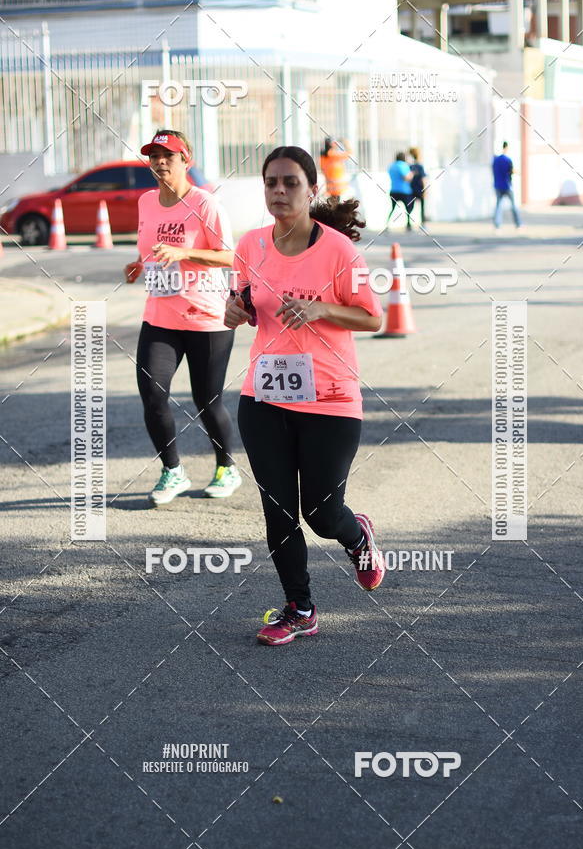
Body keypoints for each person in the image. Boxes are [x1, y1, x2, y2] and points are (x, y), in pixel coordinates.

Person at [224, 145, 386, 646]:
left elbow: (372, 316)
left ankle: (356, 535)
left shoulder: (338, 250)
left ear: (311, 191)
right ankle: (300, 608)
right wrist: (236, 312)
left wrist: (321, 311)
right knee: (278, 509)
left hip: (330, 400)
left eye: (290, 182)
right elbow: (247, 304)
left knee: (320, 513)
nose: (278, 191)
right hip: (265, 396)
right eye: (271, 182)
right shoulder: (250, 245)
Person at [123, 129, 242, 506]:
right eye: (154, 156)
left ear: (185, 161)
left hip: (206, 317)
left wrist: (185, 253)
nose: (160, 162)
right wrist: (139, 265)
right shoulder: (145, 201)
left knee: (207, 400)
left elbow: (232, 257)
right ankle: (172, 470)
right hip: (160, 316)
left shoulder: (205, 204)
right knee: (152, 396)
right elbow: (152, 250)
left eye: (168, 156)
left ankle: (227, 467)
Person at [492, 141, 522, 229]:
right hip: (507, 186)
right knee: (513, 206)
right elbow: (511, 171)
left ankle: (497, 224)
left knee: (498, 206)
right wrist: (518, 172)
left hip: (497, 185)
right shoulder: (508, 160)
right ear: (506, 148)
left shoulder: (495, 160)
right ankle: (518, 224)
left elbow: (493, 171)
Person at [385, 151, 413, 231]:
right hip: (404, 191)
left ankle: (387, 224)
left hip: (393, 190)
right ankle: (408, 224)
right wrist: (412, 174)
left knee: (392, 208)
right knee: (408, 208)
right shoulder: (403, 165)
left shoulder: (392, 166)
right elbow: (406, 178)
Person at [408, 146, 427, 225]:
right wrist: (425, 190)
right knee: (422, 207)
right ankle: (423, 223)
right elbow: (423, 179)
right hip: (420, 189)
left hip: (411, 189)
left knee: (410, 207)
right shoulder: (420, 166)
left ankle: (408, 223)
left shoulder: (409, 166)